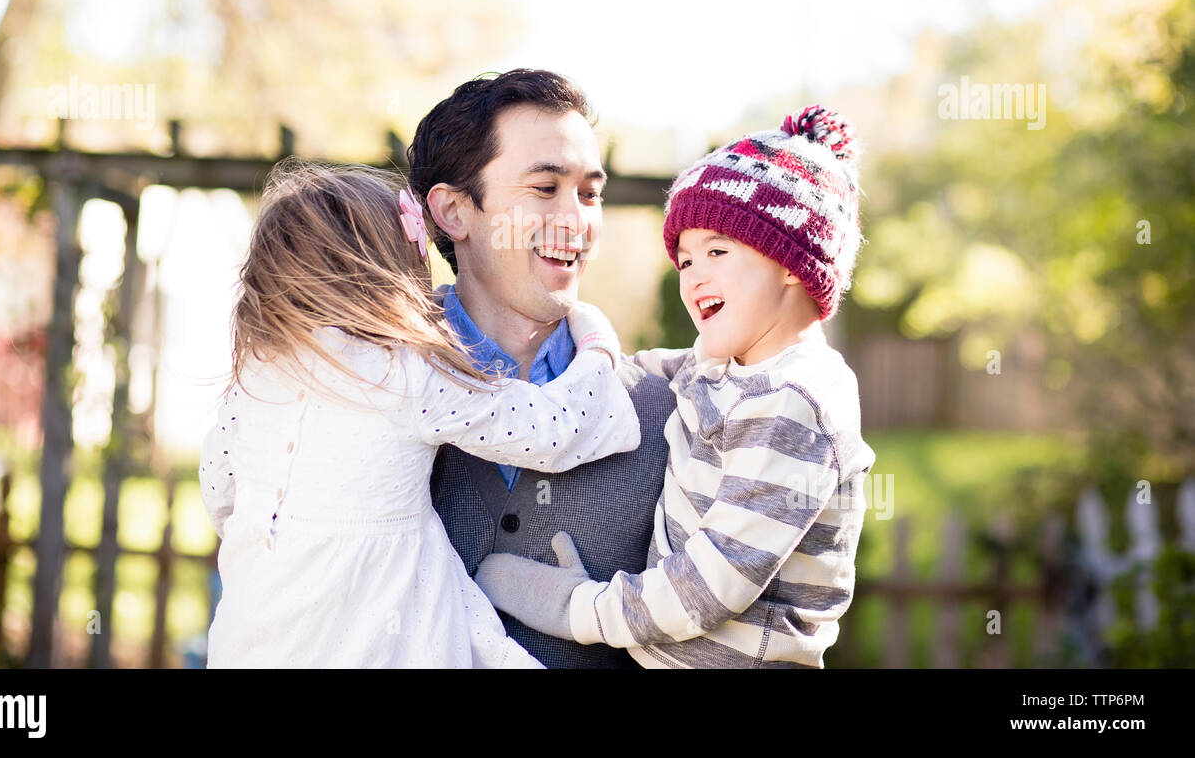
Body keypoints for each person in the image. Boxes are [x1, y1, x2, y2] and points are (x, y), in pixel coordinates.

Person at [475, 106, 876, 668]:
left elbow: (713, 585)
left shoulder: (795, 402)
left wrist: (582, 610)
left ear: (791, 262)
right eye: (685, 261)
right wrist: (584, 334)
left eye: (717, 252)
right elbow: (639, 370)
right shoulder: (726, 365)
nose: (694, 278)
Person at [198, 161, 641, 667]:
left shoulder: (256, 375)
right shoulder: (403, 372)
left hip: (253, 638)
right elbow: (549, 429)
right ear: (392, 271)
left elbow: (220, 492)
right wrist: (597, 352)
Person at [407, 69, 678, 668]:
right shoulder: (372, 391)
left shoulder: (662, 416)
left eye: (589, 193)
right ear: (454, 211)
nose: (576, 221)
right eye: (545, 187)